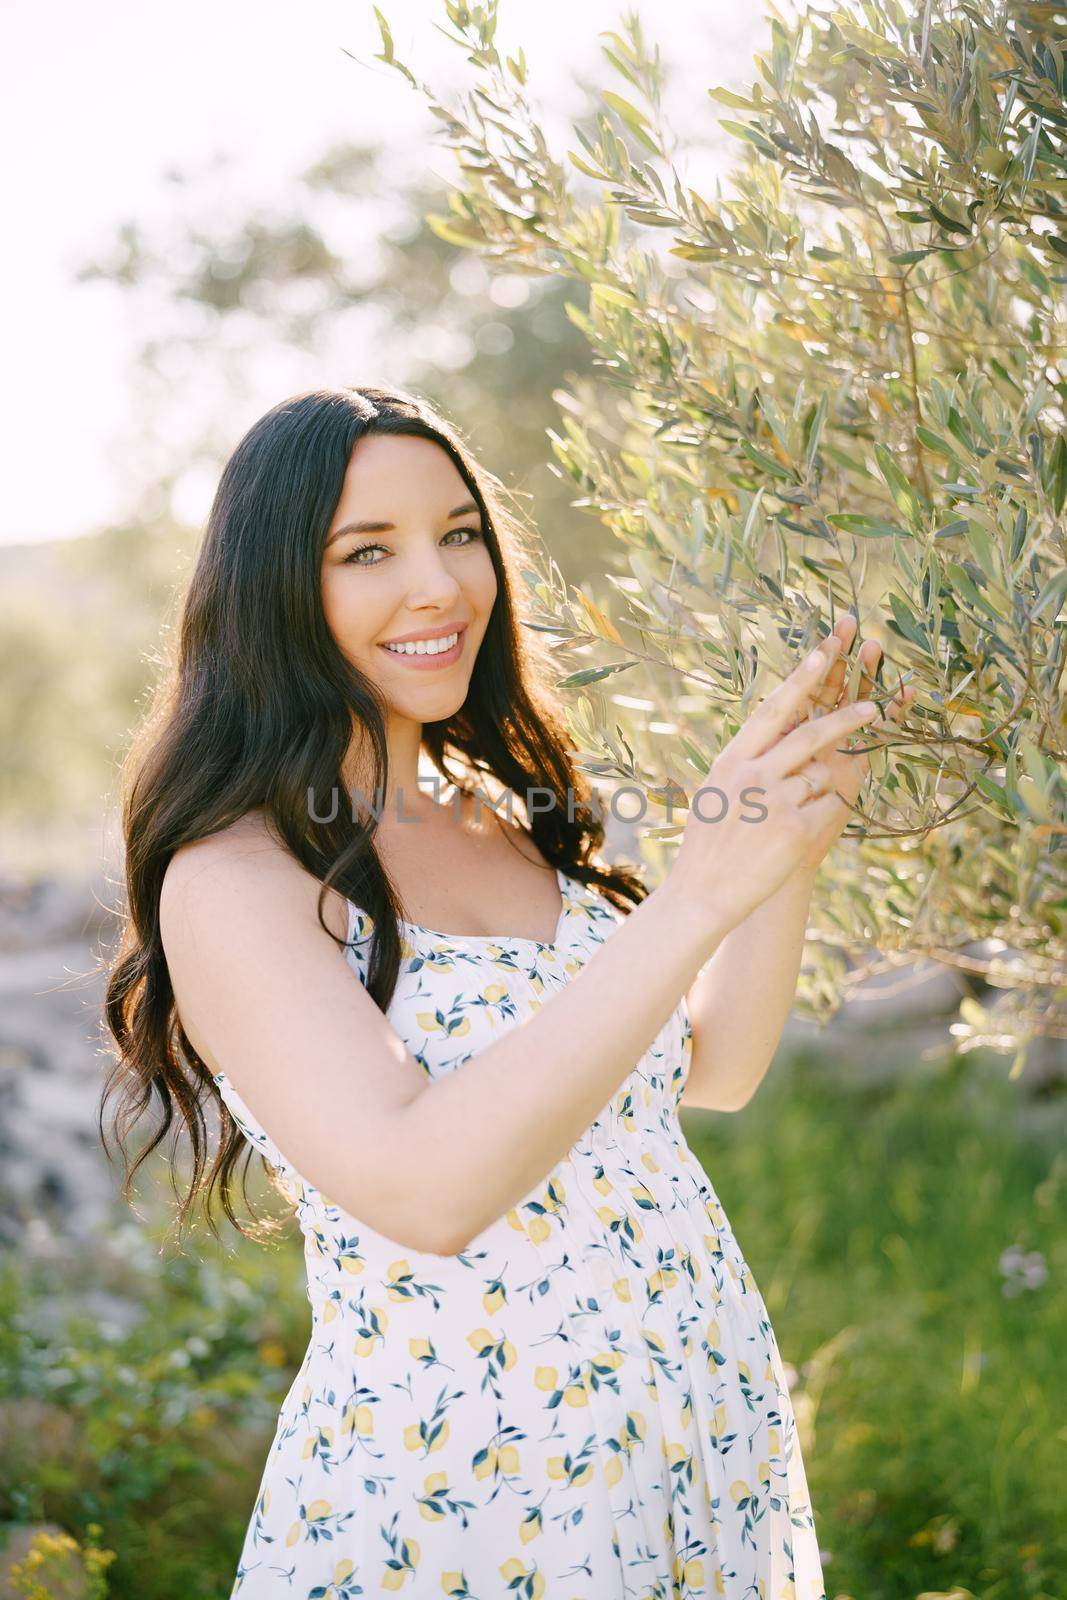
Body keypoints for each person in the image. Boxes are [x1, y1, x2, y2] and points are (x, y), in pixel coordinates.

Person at [101, 384, 913, 1600]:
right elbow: (425, 1188)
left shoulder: (497, 808)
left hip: (697, 1432)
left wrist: (777, 836)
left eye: (460, 532)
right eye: (365, 551)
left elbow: (712, 1072)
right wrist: (694, 898)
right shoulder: (237, 878)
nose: (438, 585)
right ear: (272, 587)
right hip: (478, 1489)